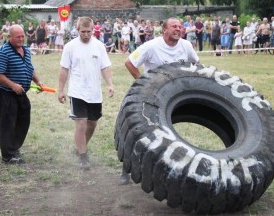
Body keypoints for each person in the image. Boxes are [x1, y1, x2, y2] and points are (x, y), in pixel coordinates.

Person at [121, 17, 199, 184]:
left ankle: (165, 169)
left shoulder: (186, 46)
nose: (178, 29)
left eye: (180, 27)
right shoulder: (151, 46)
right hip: (152, 95)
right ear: (164, 30)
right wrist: (143, 83)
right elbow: (129, 62)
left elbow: (197, 64)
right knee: (139, 132)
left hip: (175, 95)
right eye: (174, 27)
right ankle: (126, 169)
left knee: (167, 135)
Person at [58, 17, 114, 170]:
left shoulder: (99, 46)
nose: (86, 35)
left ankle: (80, 148)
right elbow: (64, 69)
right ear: (78, 30)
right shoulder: (70, 47)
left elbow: (105, 67)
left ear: (93, 30)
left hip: (94, 92)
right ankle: (83, 157)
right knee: (81, 123)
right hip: (77, 91)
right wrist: (61, 90)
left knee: (92, 124)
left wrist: (110, 84)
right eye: (83, 32)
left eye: (89, 32)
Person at [0, 25, 44, 164]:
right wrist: (13, 85)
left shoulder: (25, 49)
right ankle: (8, 156)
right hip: (5, 93)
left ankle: (14, 147)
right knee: (7, 124)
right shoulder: (3, 52)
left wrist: (38, 81)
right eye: (17, 37)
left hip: (21, 93)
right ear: (9, 37)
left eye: (22, 36)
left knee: (23, 121)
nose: (21, 39)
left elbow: (30, 68)